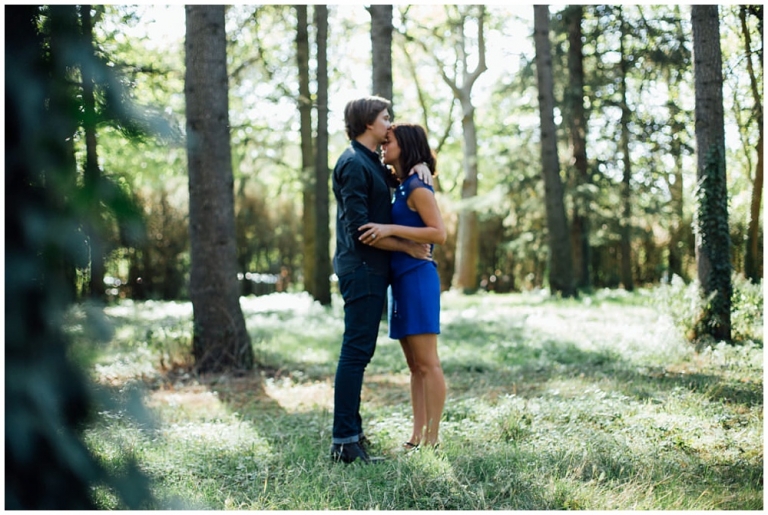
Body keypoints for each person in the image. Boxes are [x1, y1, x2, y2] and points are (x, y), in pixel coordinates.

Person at [330, 97, 432, 464]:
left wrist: (420, 162)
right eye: (384, 118)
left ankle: (352, 435)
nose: (390, 124)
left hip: (374, 269)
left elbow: (400, 174)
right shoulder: (353, 163)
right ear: (367, 122)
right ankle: (344, 441)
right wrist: (407, 245)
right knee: (355, 353)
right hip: (361, 268)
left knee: (360, 353)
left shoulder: (370, 160)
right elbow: (360, 230)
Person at [359, 123, 447, 449]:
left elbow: (438, 233)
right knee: (414, 366)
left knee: (428, 363)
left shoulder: (418, 187)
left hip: (418, 278)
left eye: (389, 141)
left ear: (405, 144)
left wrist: (388, 229)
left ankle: (432, 440)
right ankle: (417, 437)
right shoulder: (404, 184)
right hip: (401, 281)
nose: (383, 146)